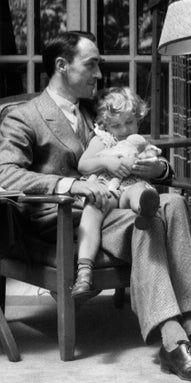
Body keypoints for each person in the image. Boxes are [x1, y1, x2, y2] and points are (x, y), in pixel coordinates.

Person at [0, 31, 191, 383]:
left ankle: (190, 324)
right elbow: (2, 173)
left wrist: (156, 169)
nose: (99, 74)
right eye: (91, 64)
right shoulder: (24, 116)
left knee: (172, 203)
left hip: (112, 206)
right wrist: (69, 184)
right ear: (61, 66)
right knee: (147, 221)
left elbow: (139, 151)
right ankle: (174, 336)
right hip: (63, 217)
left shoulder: (99, 112)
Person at [71, 86, 164, 297]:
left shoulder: (139, 143)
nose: (123, 130)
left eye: (129, 122)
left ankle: (145, 210)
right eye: (116, 125)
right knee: (93, 207)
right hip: (107, 187)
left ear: (138, 118)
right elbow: (83, 165)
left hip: (131, 185)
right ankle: (84, 271)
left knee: (141, 190)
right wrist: (106, 161)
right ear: (105, 124)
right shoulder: (102, 139)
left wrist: (149, 164)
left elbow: (157, 161)